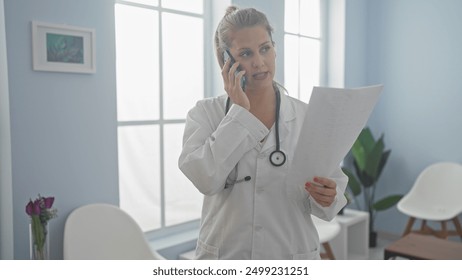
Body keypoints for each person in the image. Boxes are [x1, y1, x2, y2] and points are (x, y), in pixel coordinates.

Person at [178, 6, 347, 260]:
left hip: (289, 255)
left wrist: (328, 197)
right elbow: (205, 179)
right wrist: (239, 115)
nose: (259, 61)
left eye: (265, 48)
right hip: (226, 256)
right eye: (245, 53)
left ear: (275, 49)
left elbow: (332, 196)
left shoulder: (308, 117)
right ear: (227, 61)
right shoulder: (206, 114)